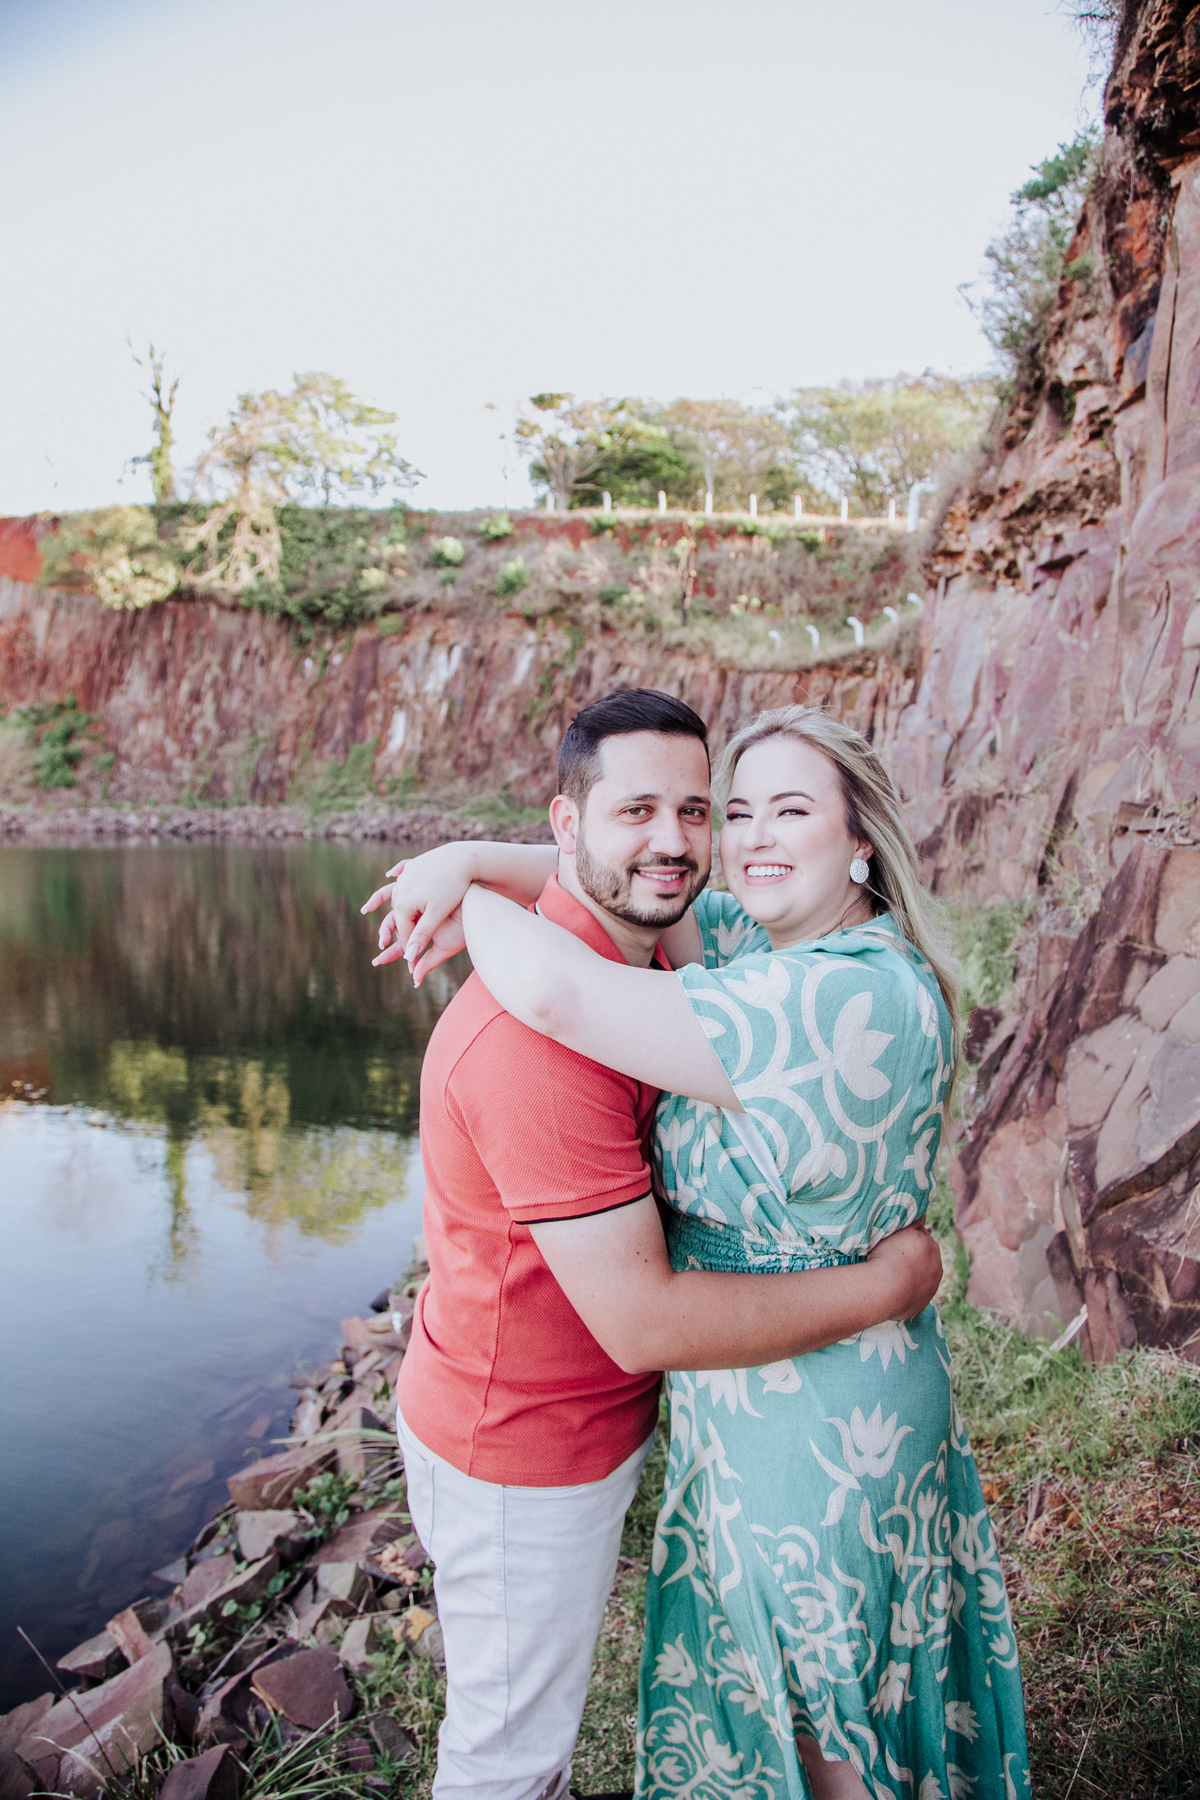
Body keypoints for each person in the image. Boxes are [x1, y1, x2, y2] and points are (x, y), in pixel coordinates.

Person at [379, 701, 1030, 1800]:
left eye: (784, 810)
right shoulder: (761, 946)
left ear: (861, 837)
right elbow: (634, 882)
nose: (736, 837)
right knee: (792, 1710)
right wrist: (466, 865)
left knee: (831, 1719)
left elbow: (575, 960)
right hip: (699, 1409)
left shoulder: (831, 991)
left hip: (821, 1421)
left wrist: (466, 884)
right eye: (738, 812)